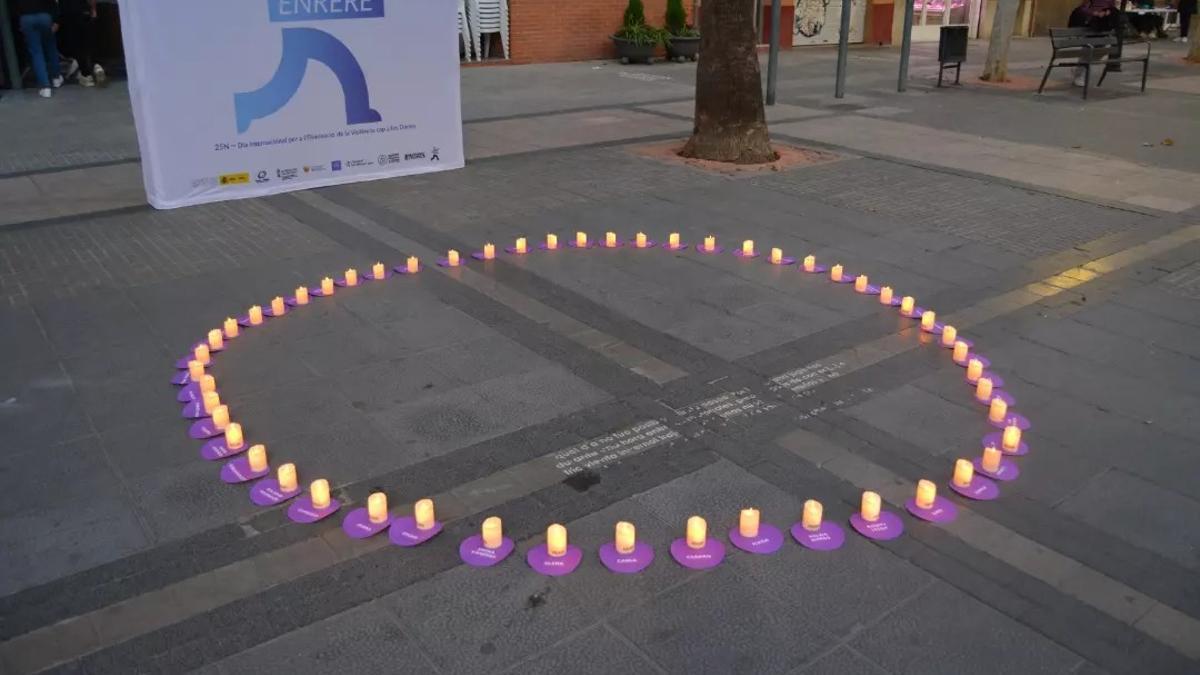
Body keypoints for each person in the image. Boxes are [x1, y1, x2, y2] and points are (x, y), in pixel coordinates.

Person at [1068, 0, 1121, 87]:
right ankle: (1080, 76)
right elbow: (1083, 8)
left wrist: (1107, 12)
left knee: (1100, 51)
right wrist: (1095, 13)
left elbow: (1112, 7)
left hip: (1103, 25)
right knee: (1088, 50)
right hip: (1091, 25)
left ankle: (1078, 71)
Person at [16, 0, 63, 98]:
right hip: (44, 16)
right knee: (51, 46)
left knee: (36, 52)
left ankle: (45, 87)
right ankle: (56, 78)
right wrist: (56, 20)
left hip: (26, 17)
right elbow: (53, 3)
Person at [57, 0, 105, 86]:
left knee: (77, 46)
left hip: (67, 13)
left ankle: (86, 75)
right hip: (84, 10)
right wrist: (93, 9)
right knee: (89, 42)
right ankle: (96, 65)